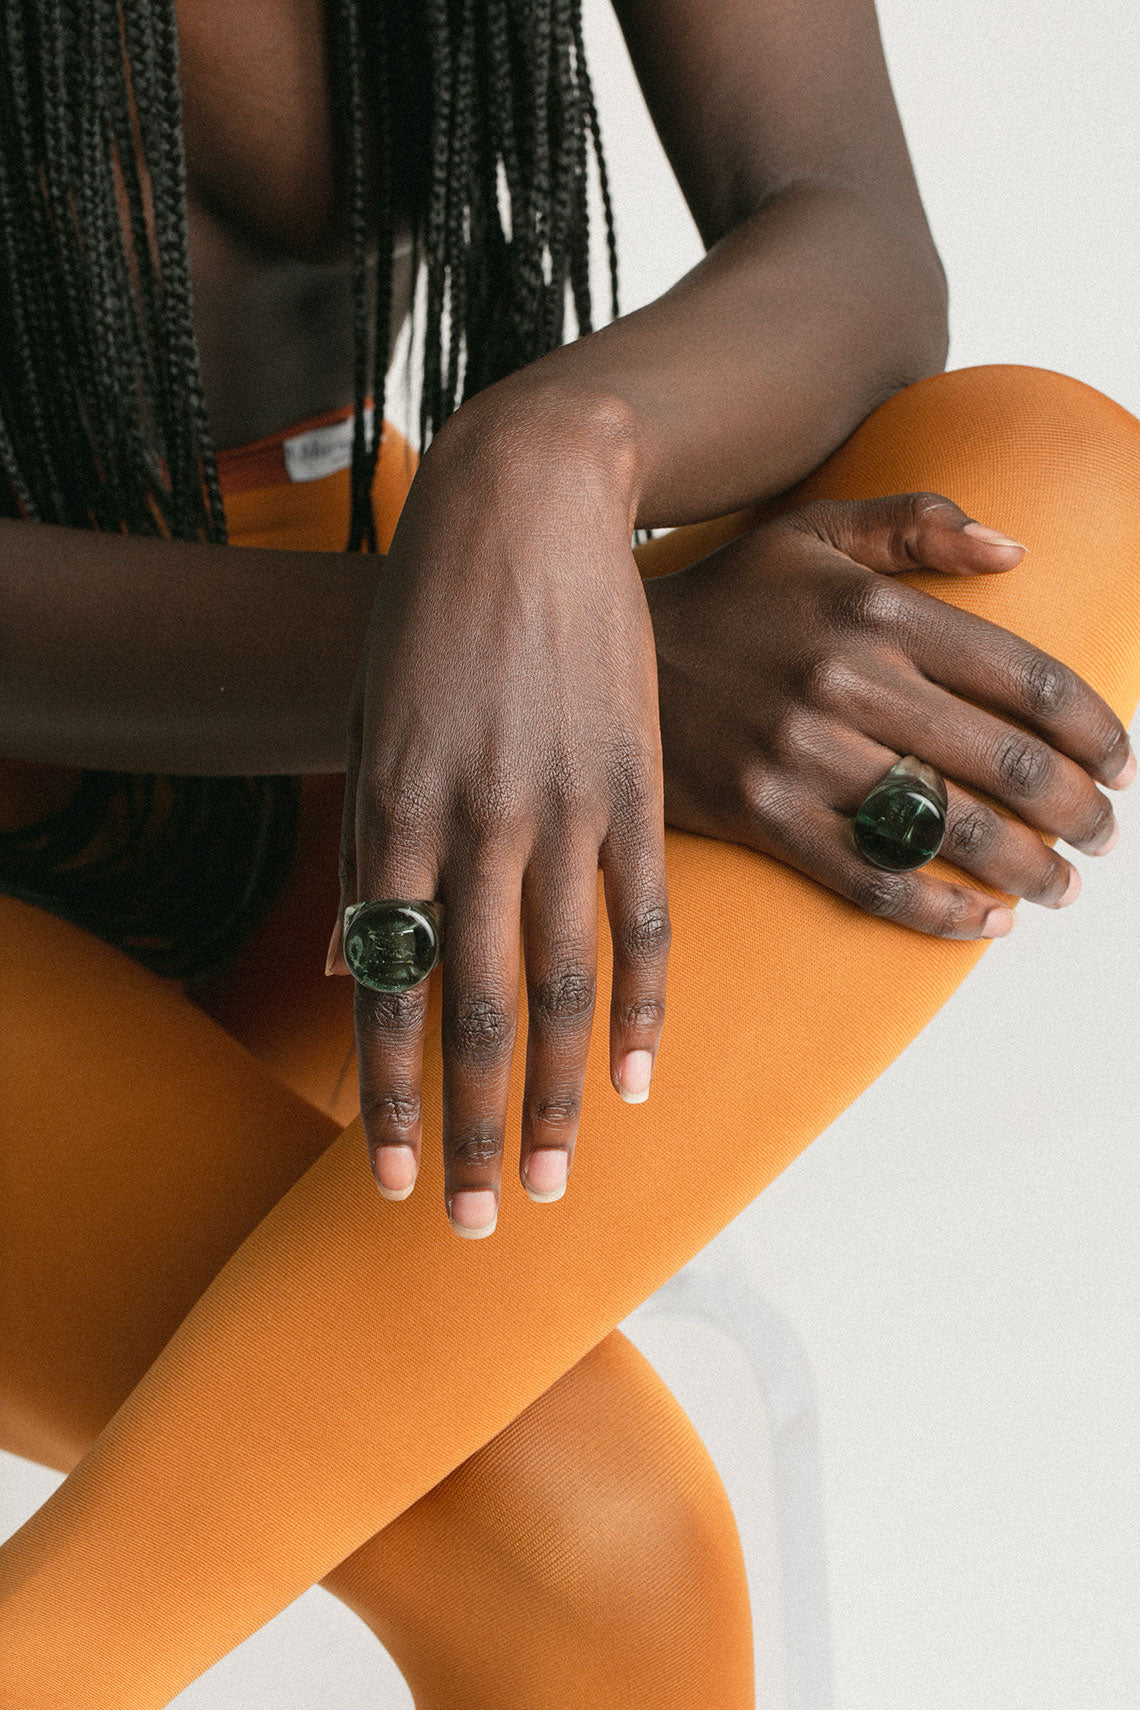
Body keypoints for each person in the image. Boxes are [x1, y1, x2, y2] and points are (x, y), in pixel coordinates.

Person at [1, 0, 1137, 1704]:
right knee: (588, 1543)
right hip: (276, 684)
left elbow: (848, 227)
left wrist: (552, 458)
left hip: (324, 724)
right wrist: (573, 651)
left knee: (1053, 488)